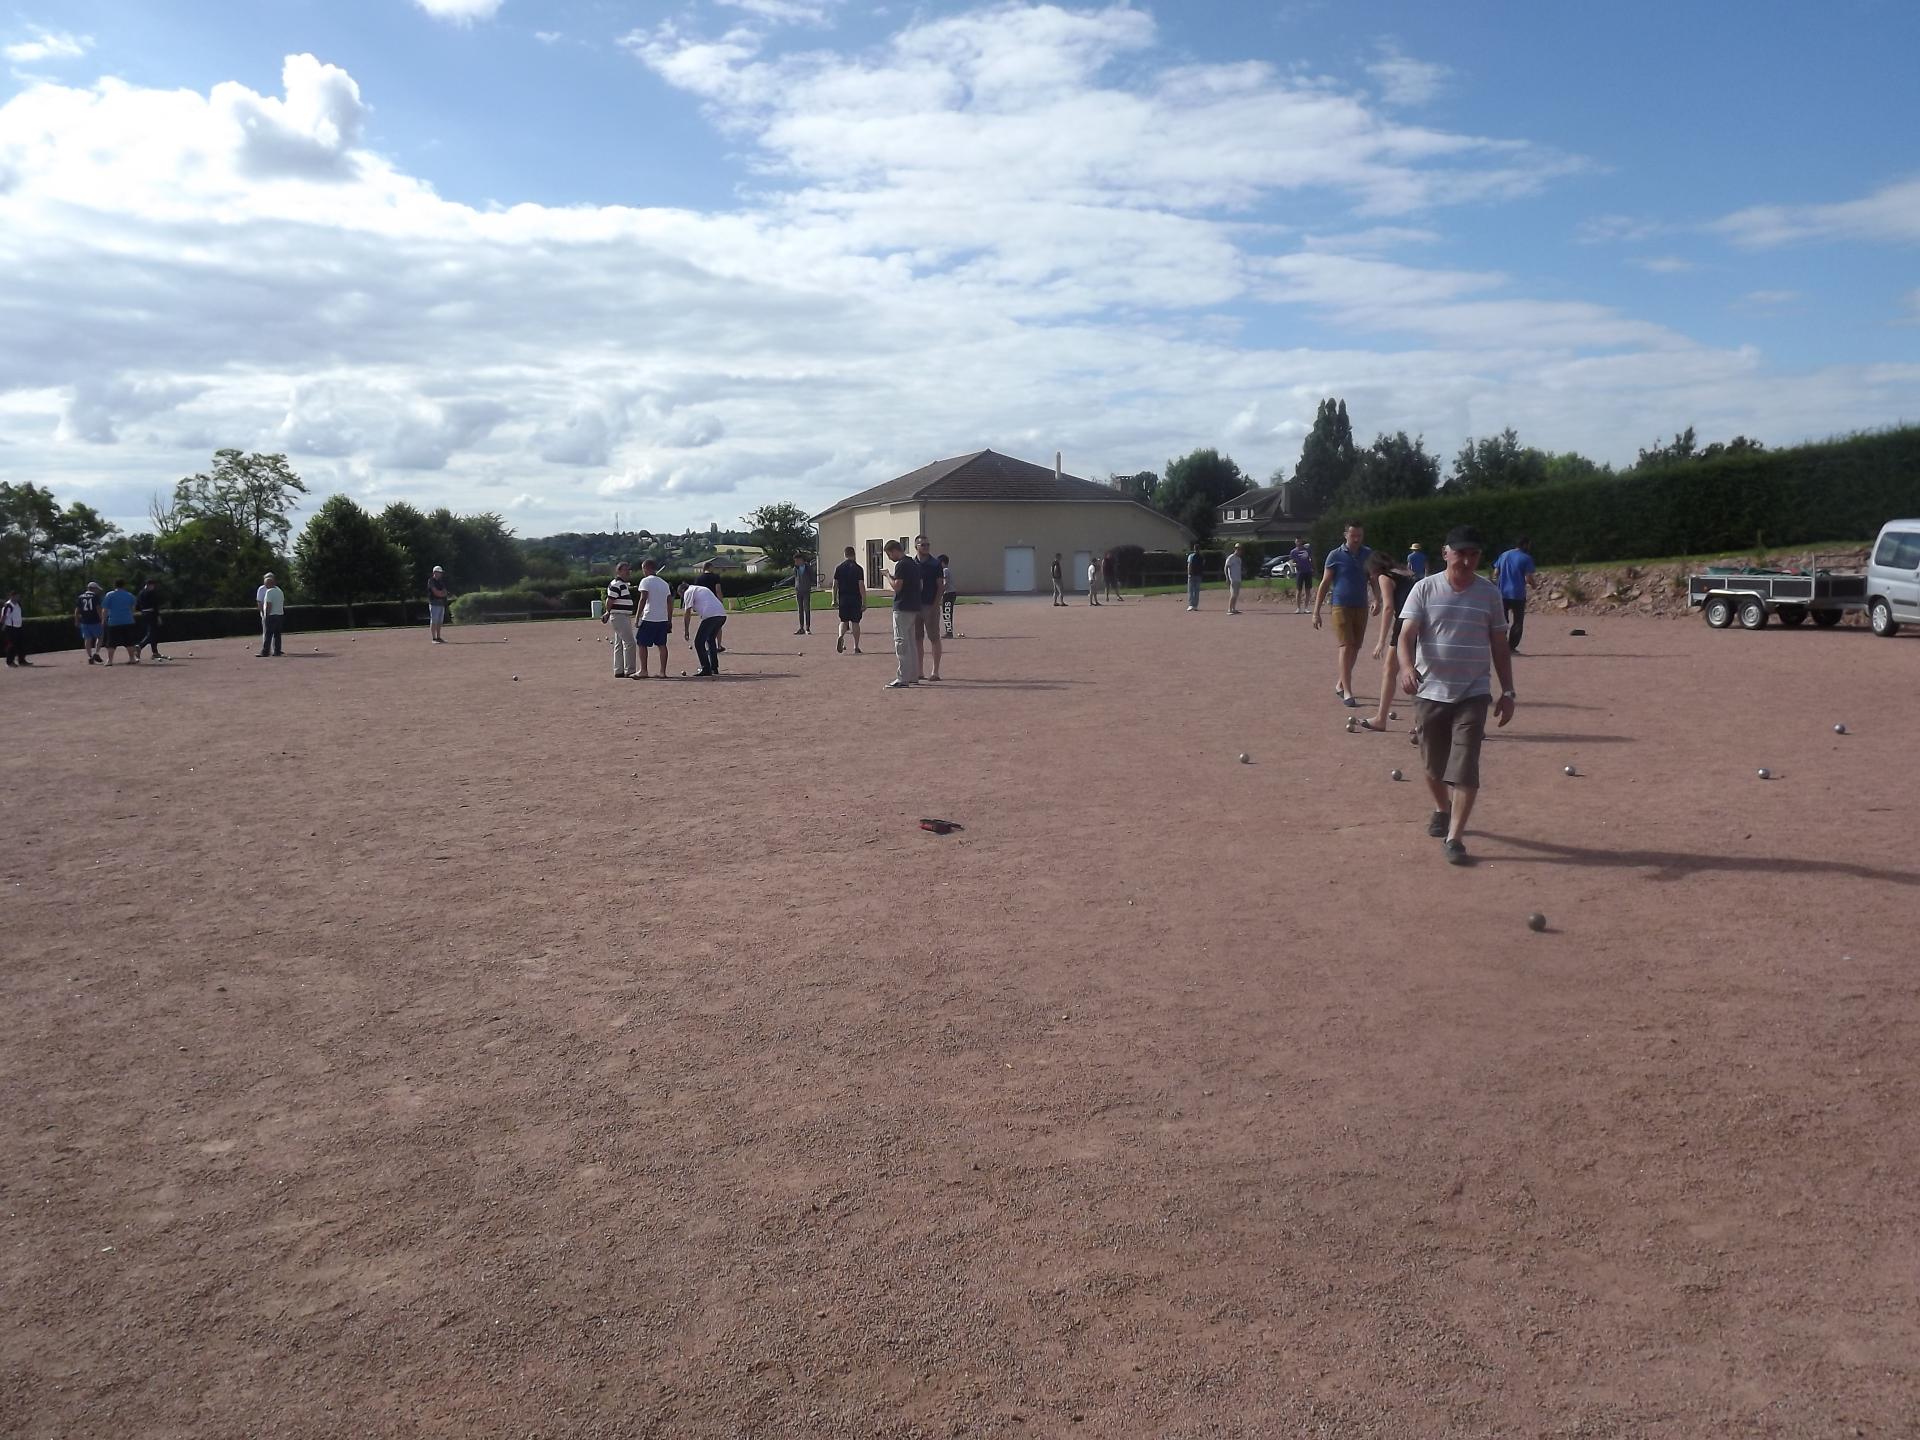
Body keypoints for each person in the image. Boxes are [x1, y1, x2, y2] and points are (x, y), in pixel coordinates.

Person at [1394, 525, 1517, 866]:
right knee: (1433, 765)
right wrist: (1406, 668)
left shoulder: (1489, 594)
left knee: (1465, 767)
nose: (1466, 560)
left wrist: (1507, 691)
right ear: (1445, 553)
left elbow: (1499, 645)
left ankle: (1455, 838)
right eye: (1460, 553)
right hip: (1430, 690)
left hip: (1473, 691)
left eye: (1473, 554)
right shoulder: (1424, 588)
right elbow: (1406, 636)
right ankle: (1441, 807)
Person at [1311, 522, 1374, 705]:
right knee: (1346, 646)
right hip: (1340, 605)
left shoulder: (1368, 554)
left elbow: (1373, 578)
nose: (1356, 539)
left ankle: (1340, 683)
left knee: (1355, 647)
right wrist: (1316, 611)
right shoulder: (1335, 555)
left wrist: (1377, 599)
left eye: (1359, 536)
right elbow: (1324, 583)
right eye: (1353, 535)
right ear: (1345, 535)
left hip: (1361, 605)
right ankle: (1347, 690)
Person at [1359, 552, 1416, 732]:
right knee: (1419, 670)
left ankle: (1381, 718)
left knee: (1390, 670)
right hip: (1421, 622)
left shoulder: (1385, 577)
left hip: (1404, 624)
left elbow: (1389, 607)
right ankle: (1422, 721)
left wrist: (1381, 641)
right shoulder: (1404, 572)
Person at [883, 538, 920, 689]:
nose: (890, 557)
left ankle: (903, 677)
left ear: (894, 551)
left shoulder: (902, 564)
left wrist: (887, 576)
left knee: (901, 642)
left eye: (889, 554)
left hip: (902, 606)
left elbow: (897, 586)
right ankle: (913, 675)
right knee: (911, 642)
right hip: (913, 606)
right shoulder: (913, 563)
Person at [1493, 537, 1537, 652]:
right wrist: (1534, 585)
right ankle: (1511, 647)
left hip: (1502, 593)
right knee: (1517, 622)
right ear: (1525, 545)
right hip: (1518, 594)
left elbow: (1496, 572)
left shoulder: (1504, 555)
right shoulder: (1526, 558)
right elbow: (1528, 578)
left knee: (1502, 621)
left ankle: (1500, 645)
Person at [912, 536, 944, 680]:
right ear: (916, 547)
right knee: (917, 638)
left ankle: (935, 671)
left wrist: (935, 605)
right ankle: (919, 671)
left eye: (927, 545)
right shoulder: (911, 564)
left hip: (930, 605)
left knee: (934, 637)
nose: (926, 547)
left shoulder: (935, 564)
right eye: (922, 545)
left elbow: (940, 586)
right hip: (915, 606)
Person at [681, 579, 727, 676]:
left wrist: (686, 630)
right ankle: (714, 668)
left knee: (698, 642)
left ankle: (706, 668)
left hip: (711, 616)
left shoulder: (688, 592)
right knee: (710, 640)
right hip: (722, 615)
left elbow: (687, 612)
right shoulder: (701, 589)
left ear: (682, 591)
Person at [635, 560, 672, 677]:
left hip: (649, 616)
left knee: (641, 643)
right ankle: (662, 672)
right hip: (662, 618)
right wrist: (669, 620)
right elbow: (669, 602)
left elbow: (643, 598)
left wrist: (637, 616)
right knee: (662, 645)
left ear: (647, 568)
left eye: (643, 569)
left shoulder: (645, 581)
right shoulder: (664, 583)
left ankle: (643, 670)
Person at [602, 561, 639, 678]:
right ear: (618, 571)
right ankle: (630, 670)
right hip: (619, 615)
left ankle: (619, 670)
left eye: (629, 569)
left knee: (619, 643)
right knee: (630, 643)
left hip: (620, 615)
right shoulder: (617, 584)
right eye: (626, 569)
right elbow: (610, 600)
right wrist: (608, 612)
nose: (628, 572)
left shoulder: (620, 584)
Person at [832, 546, 866, 653]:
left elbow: (834, 585)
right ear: (854, 554)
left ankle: (841, 636)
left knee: (843, 621)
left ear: (845, 555)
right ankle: (856, 646)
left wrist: (834, 599)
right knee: (855, 622)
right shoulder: (858, 568)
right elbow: (861, 585)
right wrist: (864, 601)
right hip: (855, 598)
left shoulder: (839, 568)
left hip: (843, 598)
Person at [100, 580, 140, 666]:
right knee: (129, 641)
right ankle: (132, 658)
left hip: (114, 621)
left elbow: (105, 609)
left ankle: (110, 660)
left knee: (111, 642)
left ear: (114, 585)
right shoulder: (129, 595)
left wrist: (103, 620)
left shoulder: (109, 595)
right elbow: (133, 607)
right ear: (124, 585)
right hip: (128, 620)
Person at [134, 579, 167, 661]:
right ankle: (140, 646)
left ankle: (155, 652)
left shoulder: (140, 593)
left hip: (144, 614)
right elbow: (155, 606)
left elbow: (137, 606)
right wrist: (158, 616)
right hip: (152, 614)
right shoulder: (151, 593)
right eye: (153, 585)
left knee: (152, 633)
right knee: (152, 633)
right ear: (149, 585)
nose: (154, 587)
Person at [697, 561, 726, 652]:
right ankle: (719, 645)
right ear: (709, 567)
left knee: (706, 624)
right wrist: (721, 602)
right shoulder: (715, 577)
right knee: (717, 625)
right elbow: (718, 590)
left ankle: (707, 645)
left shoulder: (699, 578)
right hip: (715, 602)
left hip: (703, 604)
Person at [74, 581, 105, 665]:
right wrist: (102, 619)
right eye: (97, 589)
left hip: (84, 621)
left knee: (87, 639)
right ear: (93, 588)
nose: (98, 591)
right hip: (95, 620)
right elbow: (98, 608)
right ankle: (96, 652)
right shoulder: (95, 596)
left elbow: (77, 610)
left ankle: (89, 656)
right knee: (100, 636)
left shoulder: (80, 597)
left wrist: (76, 620)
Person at [257, 573, 285, 656]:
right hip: (280, 614)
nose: (265, 586)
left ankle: (265, 651)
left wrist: (266, 615)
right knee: (277, 635)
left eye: (266, 584)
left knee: (268, 634)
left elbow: (269, 604)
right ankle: (277, 651)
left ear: (269, 584)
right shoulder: (280, 591)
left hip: (272, 615)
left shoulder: (269, 592)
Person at [2, 590, 30, 667]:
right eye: (17, 596)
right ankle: (9, 662)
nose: (18, 597)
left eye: (18, 596)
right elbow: (4, 616)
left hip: (18, 627)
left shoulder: (18, 604)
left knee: (21, 644)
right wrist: (3, 625)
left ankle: (22, 661)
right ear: (12, 596)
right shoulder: (8, 605)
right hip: (11, 628)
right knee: (11, 645)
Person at [791, 552, 815, 636]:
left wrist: (812, 583)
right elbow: (795, 578)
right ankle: (801, 628)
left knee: (807, 609)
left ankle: (807, 628)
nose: (795, 562)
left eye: (797, 560)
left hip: (806, 590)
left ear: (801, 560)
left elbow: (812, 577)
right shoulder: (795, 568)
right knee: (800, 610)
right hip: (798, 591)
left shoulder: (808, 567)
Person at [1287, 539, 1313, 613]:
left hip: (1308, 571)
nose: (1298, 542)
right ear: (1295, 542)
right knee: (1299, 590)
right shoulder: (1293, 551)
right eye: (1297, 541)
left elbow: (1311, 558)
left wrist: (1312, 568)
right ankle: (1298, 608)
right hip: (1300, 572)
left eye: (1299, 541)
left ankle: (1306, 608)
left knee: (1308, 590)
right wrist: (1293, 566)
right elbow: (1291, 561)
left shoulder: (1307, 549)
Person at [427, 565, 451, 643]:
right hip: (434, 603)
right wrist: (441, 594)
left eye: (441, 572)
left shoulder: (441, 582)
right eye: (439, 572)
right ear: (434, 572)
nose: (440, 574)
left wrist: (441, 593)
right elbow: (436, 592)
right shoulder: (431, 581)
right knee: (434, 621)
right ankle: (434, 638)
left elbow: (445, 591)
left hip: (441, 604)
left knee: (440, 622)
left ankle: (439, 637)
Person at [939, 553, 957, 638]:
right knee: (948, 612)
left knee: (947, 612)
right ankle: (948, 631)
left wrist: (940, 593)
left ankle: (949, 632)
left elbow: (945, 583)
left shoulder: (945, 570)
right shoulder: (947, 570)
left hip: (948, 594)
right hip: (951, 593)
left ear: (942, 562)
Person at [1224, 544, 1245, 615]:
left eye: (1240, 549)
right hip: (1233, 579)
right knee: (1233, 594)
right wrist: (1227, 577)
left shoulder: (1239, 559)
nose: (1239, 550)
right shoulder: (1231, 558)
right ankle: (1229, 609)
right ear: (1235, 549)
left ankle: (1233, 608)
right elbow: (1226, 567)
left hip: (1238, 579)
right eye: (1238, 549)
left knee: (1236, 594)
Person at [1186, 546, 1203, 610]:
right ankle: (1195, 605)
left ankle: (1191, 605)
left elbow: (1189, 565)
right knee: (1196, 591)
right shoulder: (1201, 557)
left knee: (1191, 590)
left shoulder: (1191, 556)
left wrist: (1189, 573)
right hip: (1198, 575)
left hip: (1192, 575)